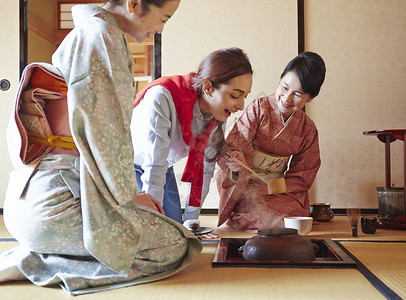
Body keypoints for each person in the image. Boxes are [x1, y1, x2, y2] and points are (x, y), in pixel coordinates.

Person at [0, 0, 203, 295]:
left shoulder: (89, 33)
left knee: (168, 233)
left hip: (31, 201)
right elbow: (104, 134)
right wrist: (130, 197)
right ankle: (38, 263)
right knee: (176, 245)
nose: (159, 30)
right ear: (134, 4)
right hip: (58, 208)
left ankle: (41, 254)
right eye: (164, 19)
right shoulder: (102, 38)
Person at [131, 47, 253, 224]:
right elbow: (154, 165)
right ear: (208, 87)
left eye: (244, 97)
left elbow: (205, 170)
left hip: (163, 167)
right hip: (127, 166)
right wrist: (153, 222)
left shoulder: (218, 112)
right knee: (156, 225)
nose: (241, 106)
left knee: (177, 227)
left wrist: (191, 223)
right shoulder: (162, 97)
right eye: (235, 96)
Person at [216, 52, 326, 230]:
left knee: (295, 216)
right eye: (284, 87)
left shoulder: (307, 128)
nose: (287, 98)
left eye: (298, 94)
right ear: (280, 79)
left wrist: (270, 187)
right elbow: (235, 145)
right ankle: (240, 214)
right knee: (273, 219)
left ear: (310, 98)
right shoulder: (259, 109)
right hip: (247, 186)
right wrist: (236, 161)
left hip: (277, 189)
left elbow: (303, 174)